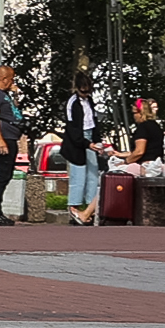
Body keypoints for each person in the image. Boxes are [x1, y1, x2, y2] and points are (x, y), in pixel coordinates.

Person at [0, 64, 26, 227]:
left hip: (10, 137)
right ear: (4, 79)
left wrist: (15, 94)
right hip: (4, 139)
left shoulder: (3, 94)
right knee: (3, 175)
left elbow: (13, 111)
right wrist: (0, 140)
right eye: (11, 79)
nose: (13, 82)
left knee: (6, 174)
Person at [61, 71, 101, 225]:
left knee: (93, 175)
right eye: (82, 91)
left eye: (88, 91)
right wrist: (86, 143)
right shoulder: (72, 103)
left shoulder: (90, 101)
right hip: (76, 142)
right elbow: (72, 128)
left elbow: (95, 121)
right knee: (79, 177)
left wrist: (97, 141)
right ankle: (73, 208)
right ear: (77, 88)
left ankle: (91, 209)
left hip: (90, 136)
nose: (85, 94)